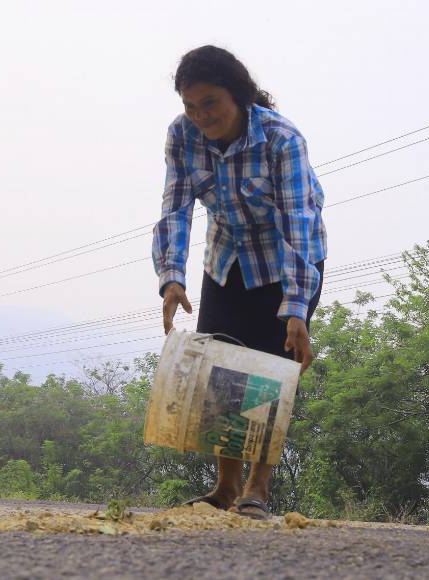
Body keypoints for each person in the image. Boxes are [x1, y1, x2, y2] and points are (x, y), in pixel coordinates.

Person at [153, 45, 328, 520]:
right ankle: (224, 488)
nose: (201, 115)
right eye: (191, 105)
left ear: (239, 95)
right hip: (226, 257)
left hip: (287, 260)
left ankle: (258, 490)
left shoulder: (281, 138)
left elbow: (299, 222)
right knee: (219, 373)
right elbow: (175, 207)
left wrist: (296, 306)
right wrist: (171, 278)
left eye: (210, 103)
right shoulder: (182, 135)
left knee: (270, 371)